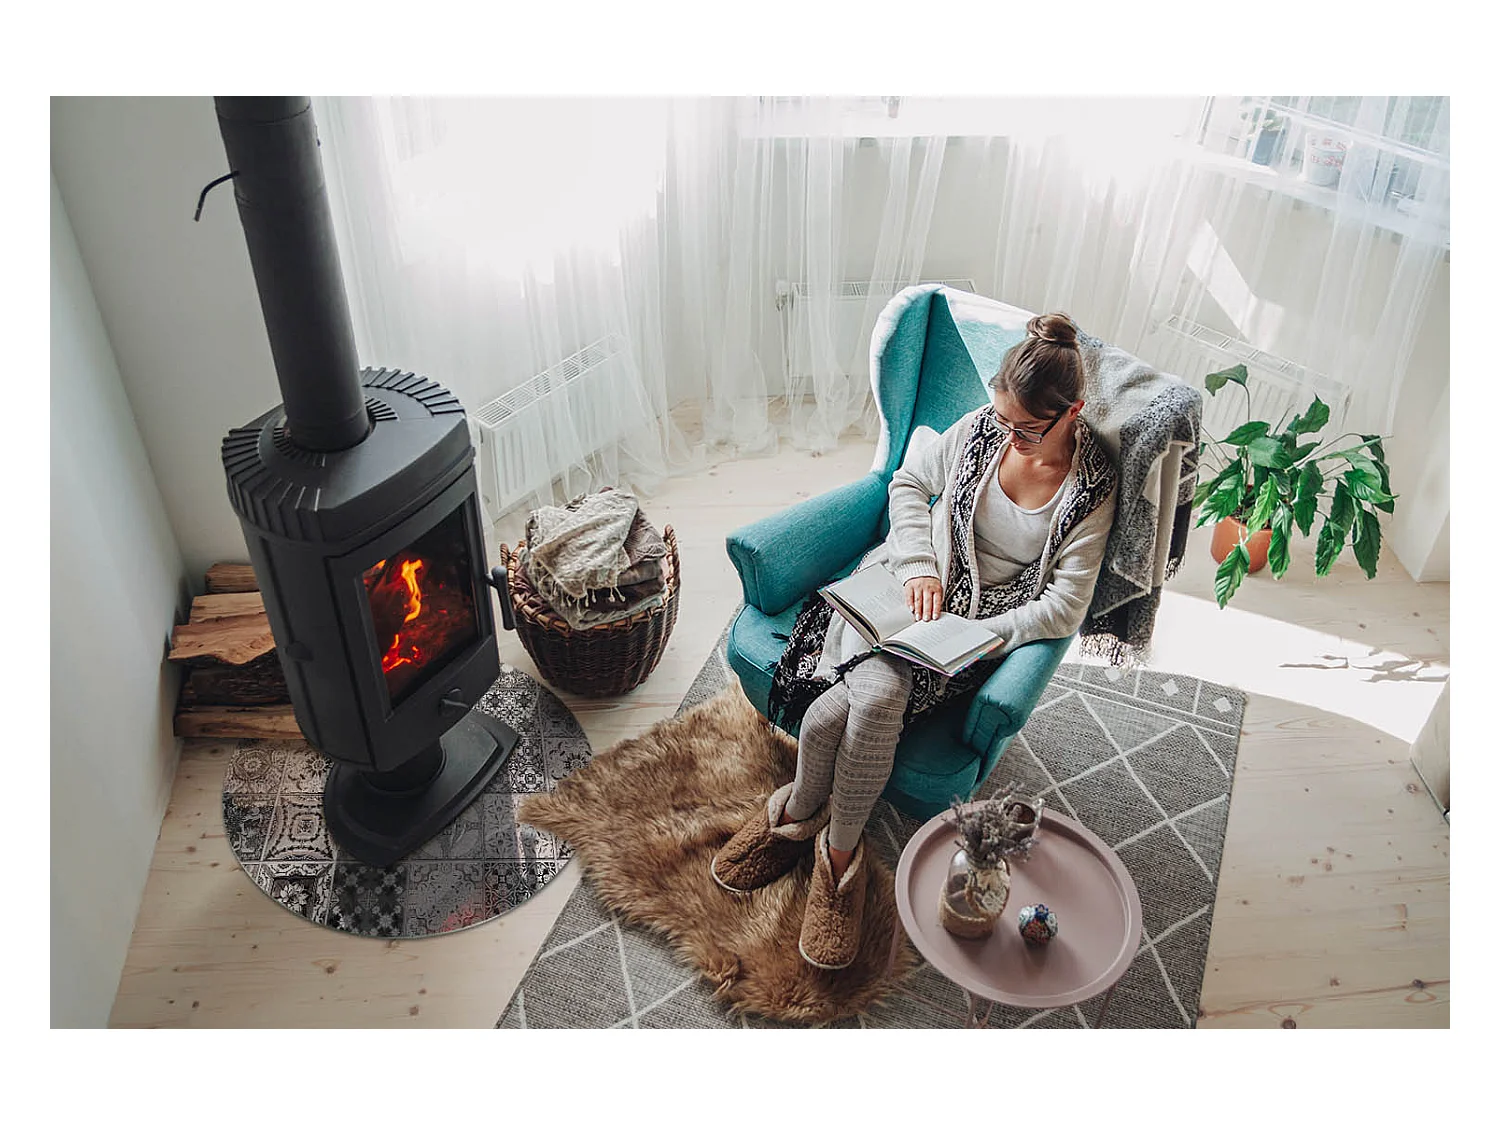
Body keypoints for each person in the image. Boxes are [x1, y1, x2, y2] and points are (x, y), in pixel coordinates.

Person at [710, 312, 1119, 970]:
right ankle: (828, 849)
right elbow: (907, 481)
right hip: (907, 583)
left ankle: (809, 834)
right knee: (866, 704)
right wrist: (919, 566)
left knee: (848, 710)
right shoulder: (986, 425)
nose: (1007, 437)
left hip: (975, 631)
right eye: (1001, 418)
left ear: (1070, 412)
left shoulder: (1092, 487)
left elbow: (1065, 605)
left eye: (1025, 429)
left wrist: (986, 636)